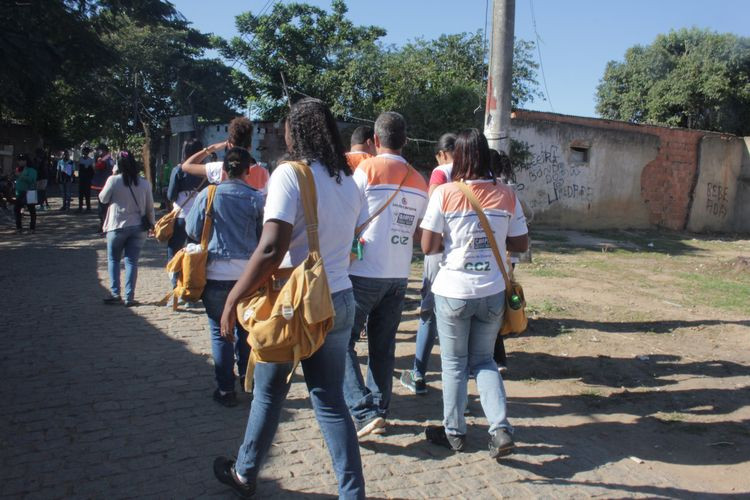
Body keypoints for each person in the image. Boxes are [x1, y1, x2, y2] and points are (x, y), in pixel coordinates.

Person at [212, 98, 365, 499]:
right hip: (339, 298)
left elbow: (271, 248)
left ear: (293, 133)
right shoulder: (348, 182)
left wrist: (233, 298)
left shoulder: (289, 174)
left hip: (291, 304)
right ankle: (353, 492)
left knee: (268, 392)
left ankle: (245, 473)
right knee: (331, 402)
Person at [419, 129, 528, 457]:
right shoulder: (508, 194)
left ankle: (454, 432)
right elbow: (521, 243)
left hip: (452, 291)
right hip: (492, 292)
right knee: (484, 361)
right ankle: (500, 428)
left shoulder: (446, 193)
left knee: (453, 363)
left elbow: (427, 246)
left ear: (459, 158)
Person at [344, 111, 429, 438]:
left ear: (375, 141)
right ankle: (378, 408)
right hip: (398, 274)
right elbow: (420, 230)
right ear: (405, 141)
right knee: (383, 346)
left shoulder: (366, 168)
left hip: (362, 271)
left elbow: (347, 211)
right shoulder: (419, 179)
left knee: (340, 343)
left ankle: (364, 412)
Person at [185, 147, 263, 407]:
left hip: (215, 274)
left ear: (224, 170)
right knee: (245, 329)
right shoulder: (257, 198)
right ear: (247, 171)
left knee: (220, 333)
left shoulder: (209, 194)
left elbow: (193, 230)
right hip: (248, 276)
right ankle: (246, 379)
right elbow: (264, 236)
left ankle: (225, 389)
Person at [400, 132, 456, 395]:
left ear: (442, 154)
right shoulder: (473, 173)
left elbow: (434, 204)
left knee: (428, 314)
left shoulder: (441, 172)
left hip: (438, 250)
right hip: (464, 255)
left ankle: (419, 374)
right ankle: (457, 383)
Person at [99, 150, 155, 307]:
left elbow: (103, 198)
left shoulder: (114, 180)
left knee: (114, 260)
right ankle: (129, 297)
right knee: (131, 262)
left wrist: (113, 174)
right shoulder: (144, 183)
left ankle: (115, 293)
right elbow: (150, 207)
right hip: (138, 228)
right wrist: (152, 224)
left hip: (116, 226)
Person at [181, 117, 270, 194]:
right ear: (250, 147)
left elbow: (186, 166)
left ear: (230, 145)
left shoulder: (221, 168)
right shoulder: (263, 173)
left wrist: (212, 148)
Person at [166, 139, 205, 293]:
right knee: (193, 255)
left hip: (181, 217)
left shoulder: (179, 170)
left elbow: (171, 195)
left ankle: (176, 287)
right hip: (199, 219)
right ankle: (190, 288)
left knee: (174, 253)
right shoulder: (205, 171)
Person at [92, 144, 115, 229]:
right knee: (106, 206)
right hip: (108, 185)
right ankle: (105, 223)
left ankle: (103, 225)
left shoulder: (103, 160)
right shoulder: (111, 160)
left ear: (104, 151)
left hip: (102, 186)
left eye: (99, 150)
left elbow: (95, 167)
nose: (97, 152)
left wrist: (96, 161)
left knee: (102, 206)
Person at [14, 153, 37, 234]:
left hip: (29, 192)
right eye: (19, 160)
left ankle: (32, 228)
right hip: (19, 192)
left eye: (22, 160)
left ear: (26, 161)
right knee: (16, 209)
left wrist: (21, 176)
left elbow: (31, 180)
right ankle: (19, 228)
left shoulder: (32, 170)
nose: (20, 162)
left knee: (31, 210)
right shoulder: (18, 169)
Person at [77, 147, 94, 212]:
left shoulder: (90, 160)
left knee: (87, 193)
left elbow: (92, 170)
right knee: (80, 193)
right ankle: (80, 207)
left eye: (84, 152)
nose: (83, 153)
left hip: (87, 179)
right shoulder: (80, 159)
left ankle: (88, 207)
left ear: (87, 153)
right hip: (81, 178)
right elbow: (79, 168)